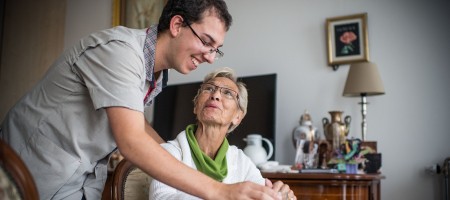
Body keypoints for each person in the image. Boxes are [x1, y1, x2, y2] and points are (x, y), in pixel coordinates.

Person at [0, 0, 279, 199]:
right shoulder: (120, 52)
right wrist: (220, 191)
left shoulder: (156, 76)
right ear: (177, 24)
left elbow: (136, 122)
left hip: (78, 182)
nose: (209, 56)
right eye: (206, 42)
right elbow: (131, 140)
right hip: (25, 175)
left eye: (216, 50)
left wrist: (176, 154)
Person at [149, 67, 297, 200]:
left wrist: (279, 196)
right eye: (208, 89)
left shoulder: (241, 161)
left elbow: (261, 194)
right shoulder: (168, 153)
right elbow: (161, 197)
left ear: (237, 117)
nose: (215, 95)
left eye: (227, 93)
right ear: (196, 106)